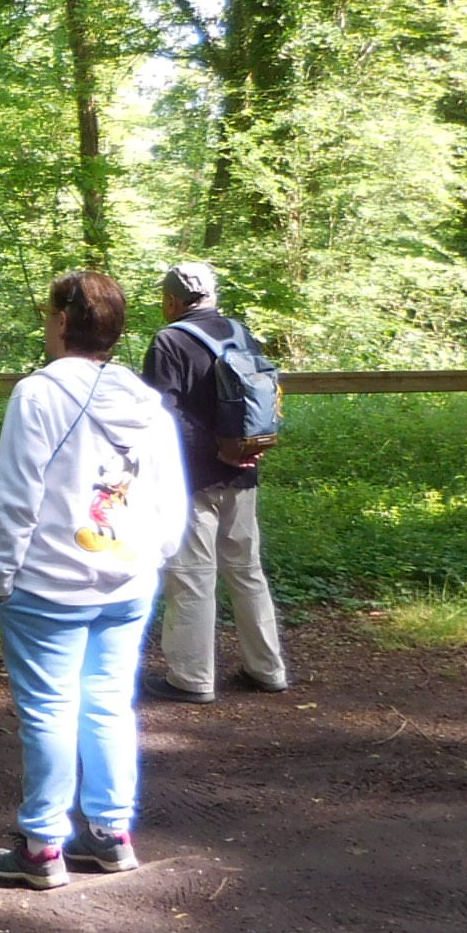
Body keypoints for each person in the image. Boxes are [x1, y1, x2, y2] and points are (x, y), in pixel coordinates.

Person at [0, 270, 189, 890]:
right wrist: (154, 554)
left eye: (50, 313)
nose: (46, 322)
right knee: (108, 705)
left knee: (49, 710)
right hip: (127, 579)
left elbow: (18, 497)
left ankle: (44, 846)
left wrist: (3, 570)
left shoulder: (38, 395)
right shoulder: (143, 400)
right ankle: (109, 833)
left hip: (47, 583)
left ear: (63, 322)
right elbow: (169, 494)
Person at [141, 260, 289, 701]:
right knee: (247, 571)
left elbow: (161, 416)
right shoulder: (241, 332)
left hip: (192, 477)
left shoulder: (168, 341)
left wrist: (210, 451)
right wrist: (243, 449)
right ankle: (267, 669)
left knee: (192, 574)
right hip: (245, 468)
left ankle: (192, 679)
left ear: (171, 300)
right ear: (211, 295)